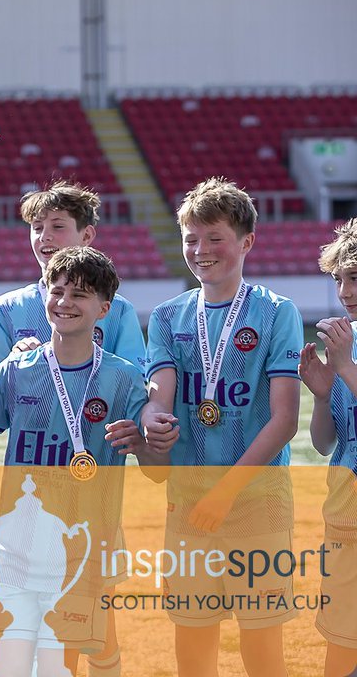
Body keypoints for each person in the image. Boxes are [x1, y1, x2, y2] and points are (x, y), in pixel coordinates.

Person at [0, 246, 152, 677]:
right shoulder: (18, 370)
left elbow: (156, 465)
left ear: (104, 308)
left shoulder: (123, 378)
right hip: (18, 548)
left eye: (79, 295)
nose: (64, 302)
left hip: (85, 548)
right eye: (57, 291)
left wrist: (144, 442)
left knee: (74, 658)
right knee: (12, 660)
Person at [142, 177, 302, 677]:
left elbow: (286, 418)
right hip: (189, 506)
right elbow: (159, 395)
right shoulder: (169, 316)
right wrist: (154, 422)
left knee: (262, 650)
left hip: (256, 503)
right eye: (190, 238)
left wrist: (227, 492)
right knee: (193, 648)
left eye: (213, 237)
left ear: (246, 242)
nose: (200, 250)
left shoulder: (277, 313)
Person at [0, 181, 147, 398]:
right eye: (37, 227)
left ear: (86, 236)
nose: (44, 236)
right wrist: (13, 361)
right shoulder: (5, 308)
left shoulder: (119, 309)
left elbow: (136, 385)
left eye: (57, 226)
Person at [299, 218, 357, 677]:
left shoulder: (345, 351)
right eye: (338, 278)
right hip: (344, 512)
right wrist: (322, 394)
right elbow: (324, 443)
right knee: (341, 640)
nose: (344, 290)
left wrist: (345, 368)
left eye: (353, 276)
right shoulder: (346, 343)